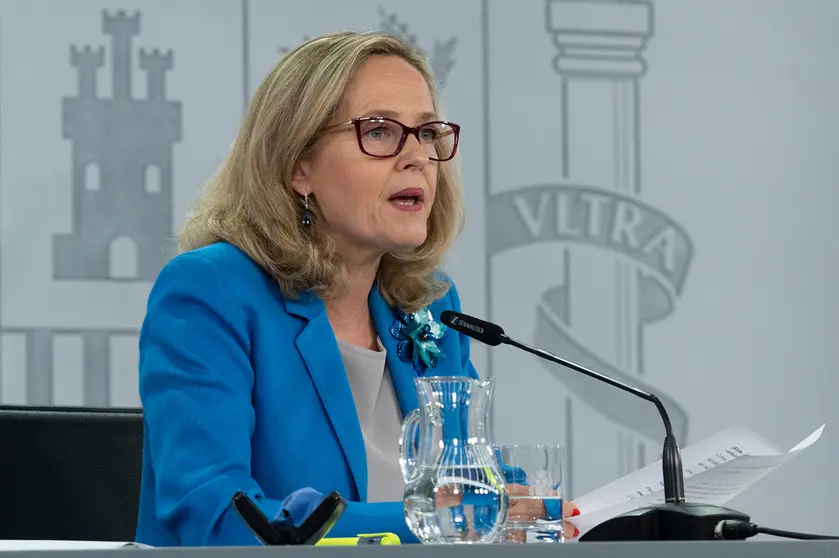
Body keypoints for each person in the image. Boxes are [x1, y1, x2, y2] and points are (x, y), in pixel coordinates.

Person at [135, 30, 578, 547]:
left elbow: (470, 489)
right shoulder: (211, 293)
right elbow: (218, 521)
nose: (417, 156)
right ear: (299, 165)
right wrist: (430, 525)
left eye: (428, 133)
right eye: (382, 131)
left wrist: (523, 511)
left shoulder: (430, 305)